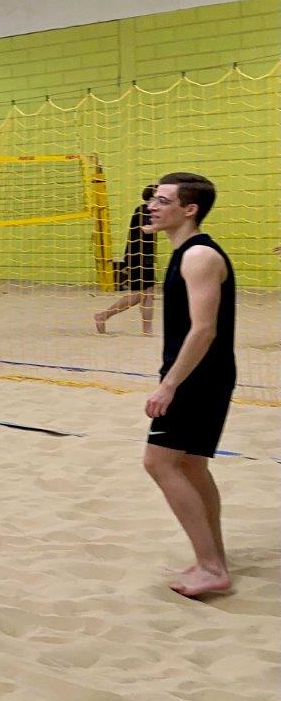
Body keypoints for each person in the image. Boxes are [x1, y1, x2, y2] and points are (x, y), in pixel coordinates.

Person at [141, 172, 235, 599]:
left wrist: (169, 385)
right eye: (153, 199)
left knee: (158, 463)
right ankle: (212, 560)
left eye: (162, 201)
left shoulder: (199, 256)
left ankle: (211, 567)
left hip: (198, 378)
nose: (152, 206)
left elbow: (204, 330)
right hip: (203, 375)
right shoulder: (187, 251)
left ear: (189, 209)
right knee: (193, 466)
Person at [94, 186, 158, 335]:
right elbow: (147, 229)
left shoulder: (152, 211)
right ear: (152, 197)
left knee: (149, 293)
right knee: (138, 295)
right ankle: (103, 316)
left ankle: (147, 330)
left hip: (146, 257)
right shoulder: (143, 210)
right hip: (137, 257)